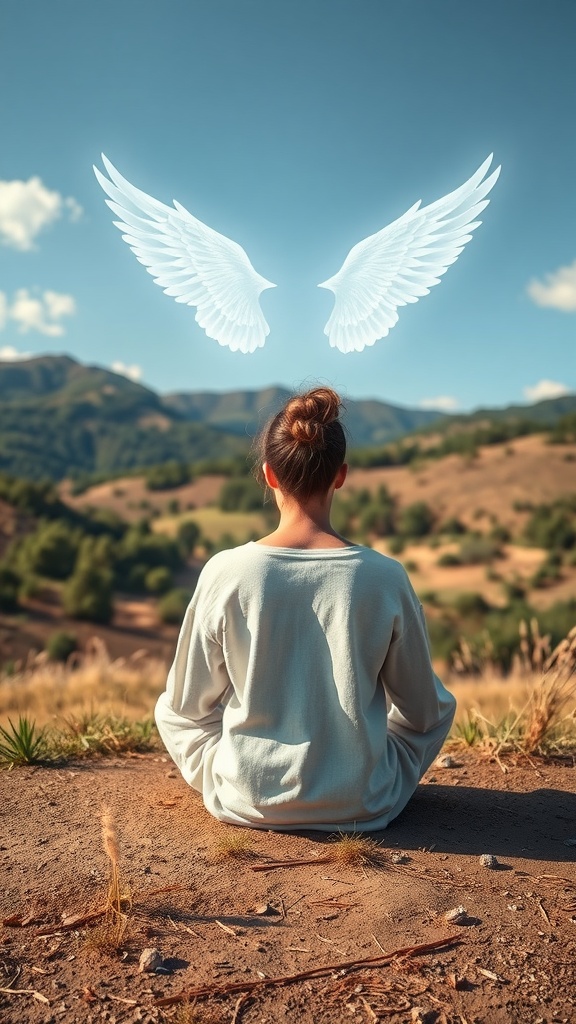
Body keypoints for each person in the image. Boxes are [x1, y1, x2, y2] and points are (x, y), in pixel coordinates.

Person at [155, 386, 456, 830]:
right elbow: (422, 714)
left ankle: (247, 780)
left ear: (269, 474)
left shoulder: (226, 572)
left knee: (170, 706)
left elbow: (187, 707)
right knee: (439, 706)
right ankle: (351, 778)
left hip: (248, 800)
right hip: (363, 804)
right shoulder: (385, 577)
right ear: (341, 475)